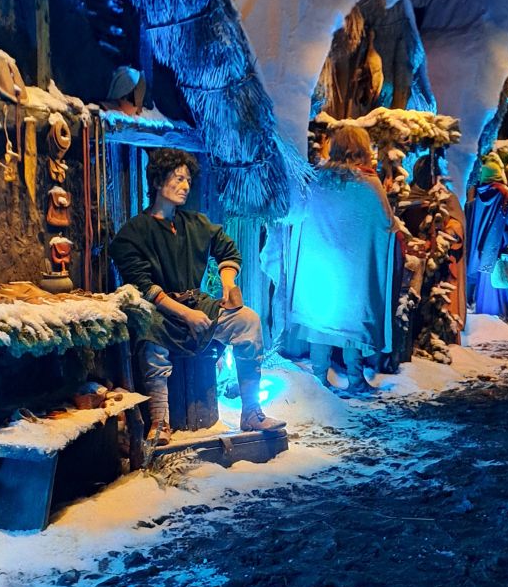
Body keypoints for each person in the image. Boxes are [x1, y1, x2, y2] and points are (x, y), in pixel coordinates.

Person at [110, 148, 286, 445]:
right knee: (150, 337)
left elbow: (227, 249)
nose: (185, 185)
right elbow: (142, 285)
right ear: (157, 182)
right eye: (178, 178)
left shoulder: (195, 223)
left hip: (197, 304)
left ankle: (251, 412)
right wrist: (185, 314)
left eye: (188, 179)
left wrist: (228, 284)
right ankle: (160, 421)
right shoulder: (133, 232)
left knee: (248, 321)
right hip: (161, 311)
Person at [289, 125, 400, 393]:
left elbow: (304, 219)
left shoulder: (317, 180)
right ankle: (355, 379)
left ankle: (318, 378)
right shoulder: (369, 183)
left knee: (320, 322)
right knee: (352, 319)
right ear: (362, 149)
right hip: (353, 269)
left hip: (321, 269)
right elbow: (385, 223)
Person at [400, 154, 466, 339]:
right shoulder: (408, 195)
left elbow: (457, 224)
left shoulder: (446, 198)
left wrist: (446, 235)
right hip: (415, 257)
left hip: (440, 260)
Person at [466, 151, 508, 317]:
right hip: (498, 249)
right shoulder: (505, 193)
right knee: (498, 284)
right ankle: (497, 318)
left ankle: (484, 317)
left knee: (484, 286)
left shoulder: (478, 193)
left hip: (482, 252)